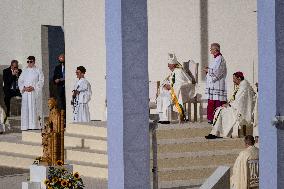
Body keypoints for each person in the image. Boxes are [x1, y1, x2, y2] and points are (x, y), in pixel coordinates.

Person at [205, 72, 255, 139]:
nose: (233, 81)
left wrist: (229, 105)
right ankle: (216, 133)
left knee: (221, 111)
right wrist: (229, 104)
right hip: (237, 107)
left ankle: (218, 134)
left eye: (234, 79)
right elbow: (236, 99)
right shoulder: (243, 84)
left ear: (239, 78)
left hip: (240, 111)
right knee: (220, 110)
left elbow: (239, 101)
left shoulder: (244, 86)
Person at [156, 52, 195, 124]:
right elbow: (170, 81)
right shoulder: (174, 71)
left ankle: (167, 119)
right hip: (172, 90)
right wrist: (165, 85)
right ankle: (162, 118)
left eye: (169, 65)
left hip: (180, 91)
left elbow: (182, 83)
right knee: (160, 97)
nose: (168, 67)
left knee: (166, 98)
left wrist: (170, 87)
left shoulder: (179, 71)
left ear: (173, 65)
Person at [18, 56, 44, 130]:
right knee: (26, 109)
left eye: (31, 62)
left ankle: (35, 126)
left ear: (34, 62)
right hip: (26, 93)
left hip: (34, 93)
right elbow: (20, 81)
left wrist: (34, 87)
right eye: (28, 62)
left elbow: (41, 81)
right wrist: (24, 88)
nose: (29, 63)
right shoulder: (25, 71)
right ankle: (26, 126)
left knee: (34, 108)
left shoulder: (38, 70)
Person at [204, 43, 227, 124]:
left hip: (217, 84)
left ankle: (217, 118)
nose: (210, 50)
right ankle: (211, 118)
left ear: (215, 49)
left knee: (217, 102)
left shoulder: (220, 58)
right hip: (213, 85)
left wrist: (208, 70)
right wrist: (208, 70)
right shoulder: (216, 59)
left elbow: (218, 72)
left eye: (211, 49)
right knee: (211, 102)